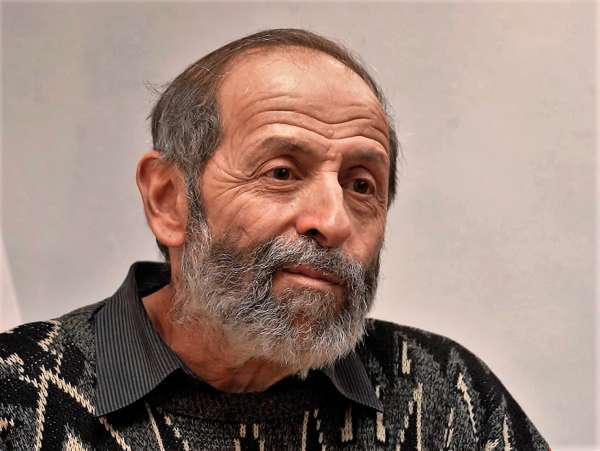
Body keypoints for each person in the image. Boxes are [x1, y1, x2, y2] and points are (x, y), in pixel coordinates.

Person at [0, 28, 549, 450]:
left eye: (361, 185)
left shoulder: (447, 396)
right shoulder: (17, 397)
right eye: (281, 172)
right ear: (169, 200)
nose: (332, 221)